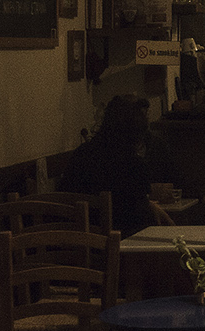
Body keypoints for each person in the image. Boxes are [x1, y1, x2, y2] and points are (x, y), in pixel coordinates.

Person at [60, 94, 177, 231]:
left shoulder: (82, 152)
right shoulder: (132, 164)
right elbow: (132, 213)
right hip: (114, 236)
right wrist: (148, 205)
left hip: (73, 233)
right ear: (137, 133)